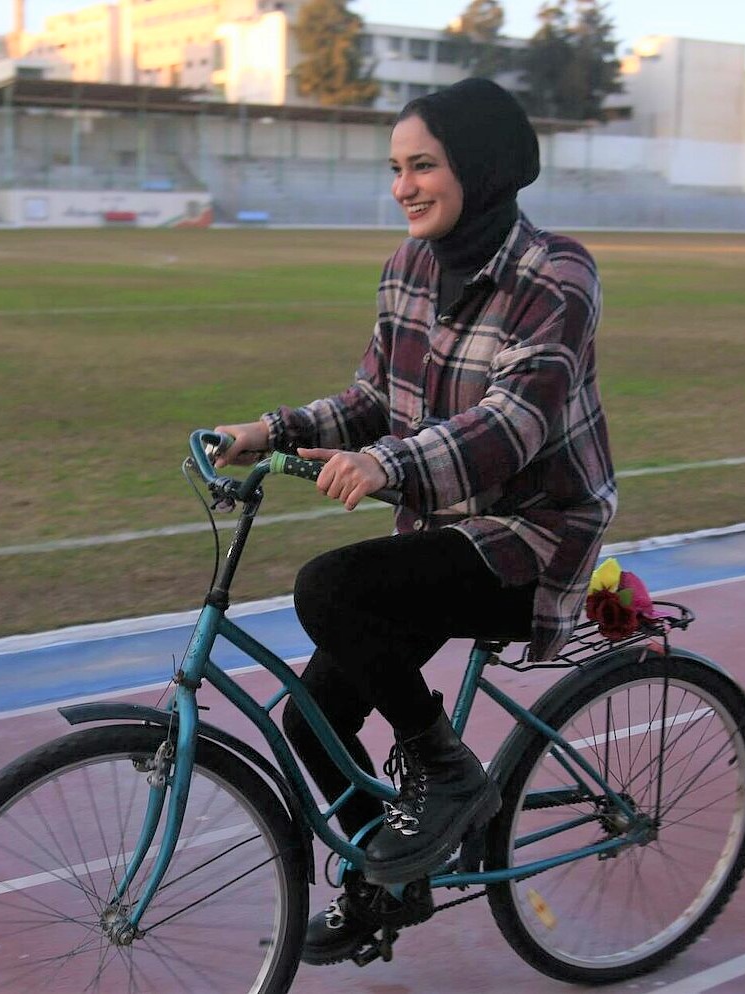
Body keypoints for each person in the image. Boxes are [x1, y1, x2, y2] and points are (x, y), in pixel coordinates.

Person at [211, 78, 616, 967]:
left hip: (532, 537)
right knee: (308, 718)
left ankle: (445, 773)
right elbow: (369, 398)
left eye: (422, 165)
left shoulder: (557, 273)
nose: (403, 186)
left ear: (478, 166)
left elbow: (516, 424)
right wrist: (264, 432)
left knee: (331, 587)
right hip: (441, 533)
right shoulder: (407, 268)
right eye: (395, 169)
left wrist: (384, 464)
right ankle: (390, 882)